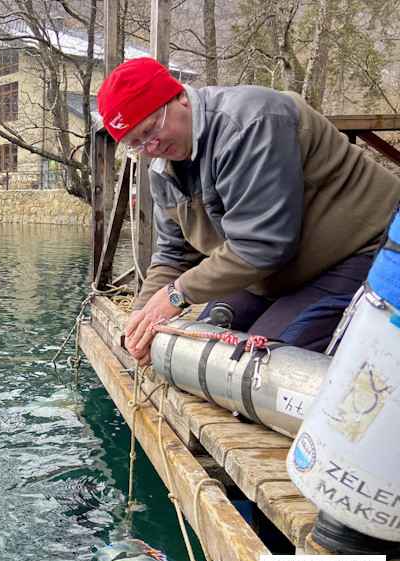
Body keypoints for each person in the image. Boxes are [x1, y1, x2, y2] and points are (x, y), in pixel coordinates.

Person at [97, 57, 400, 364]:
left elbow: (264, 245)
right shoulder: (162, 171)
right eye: (136, 144)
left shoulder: (251, 122)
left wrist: (177, 294)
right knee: (195, 351)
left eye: (152, 129)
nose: (151, 147)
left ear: (180, 97)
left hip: (362, 251)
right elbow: (174, 255)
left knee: (259, 363)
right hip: (272, 273)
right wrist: (143, 314)